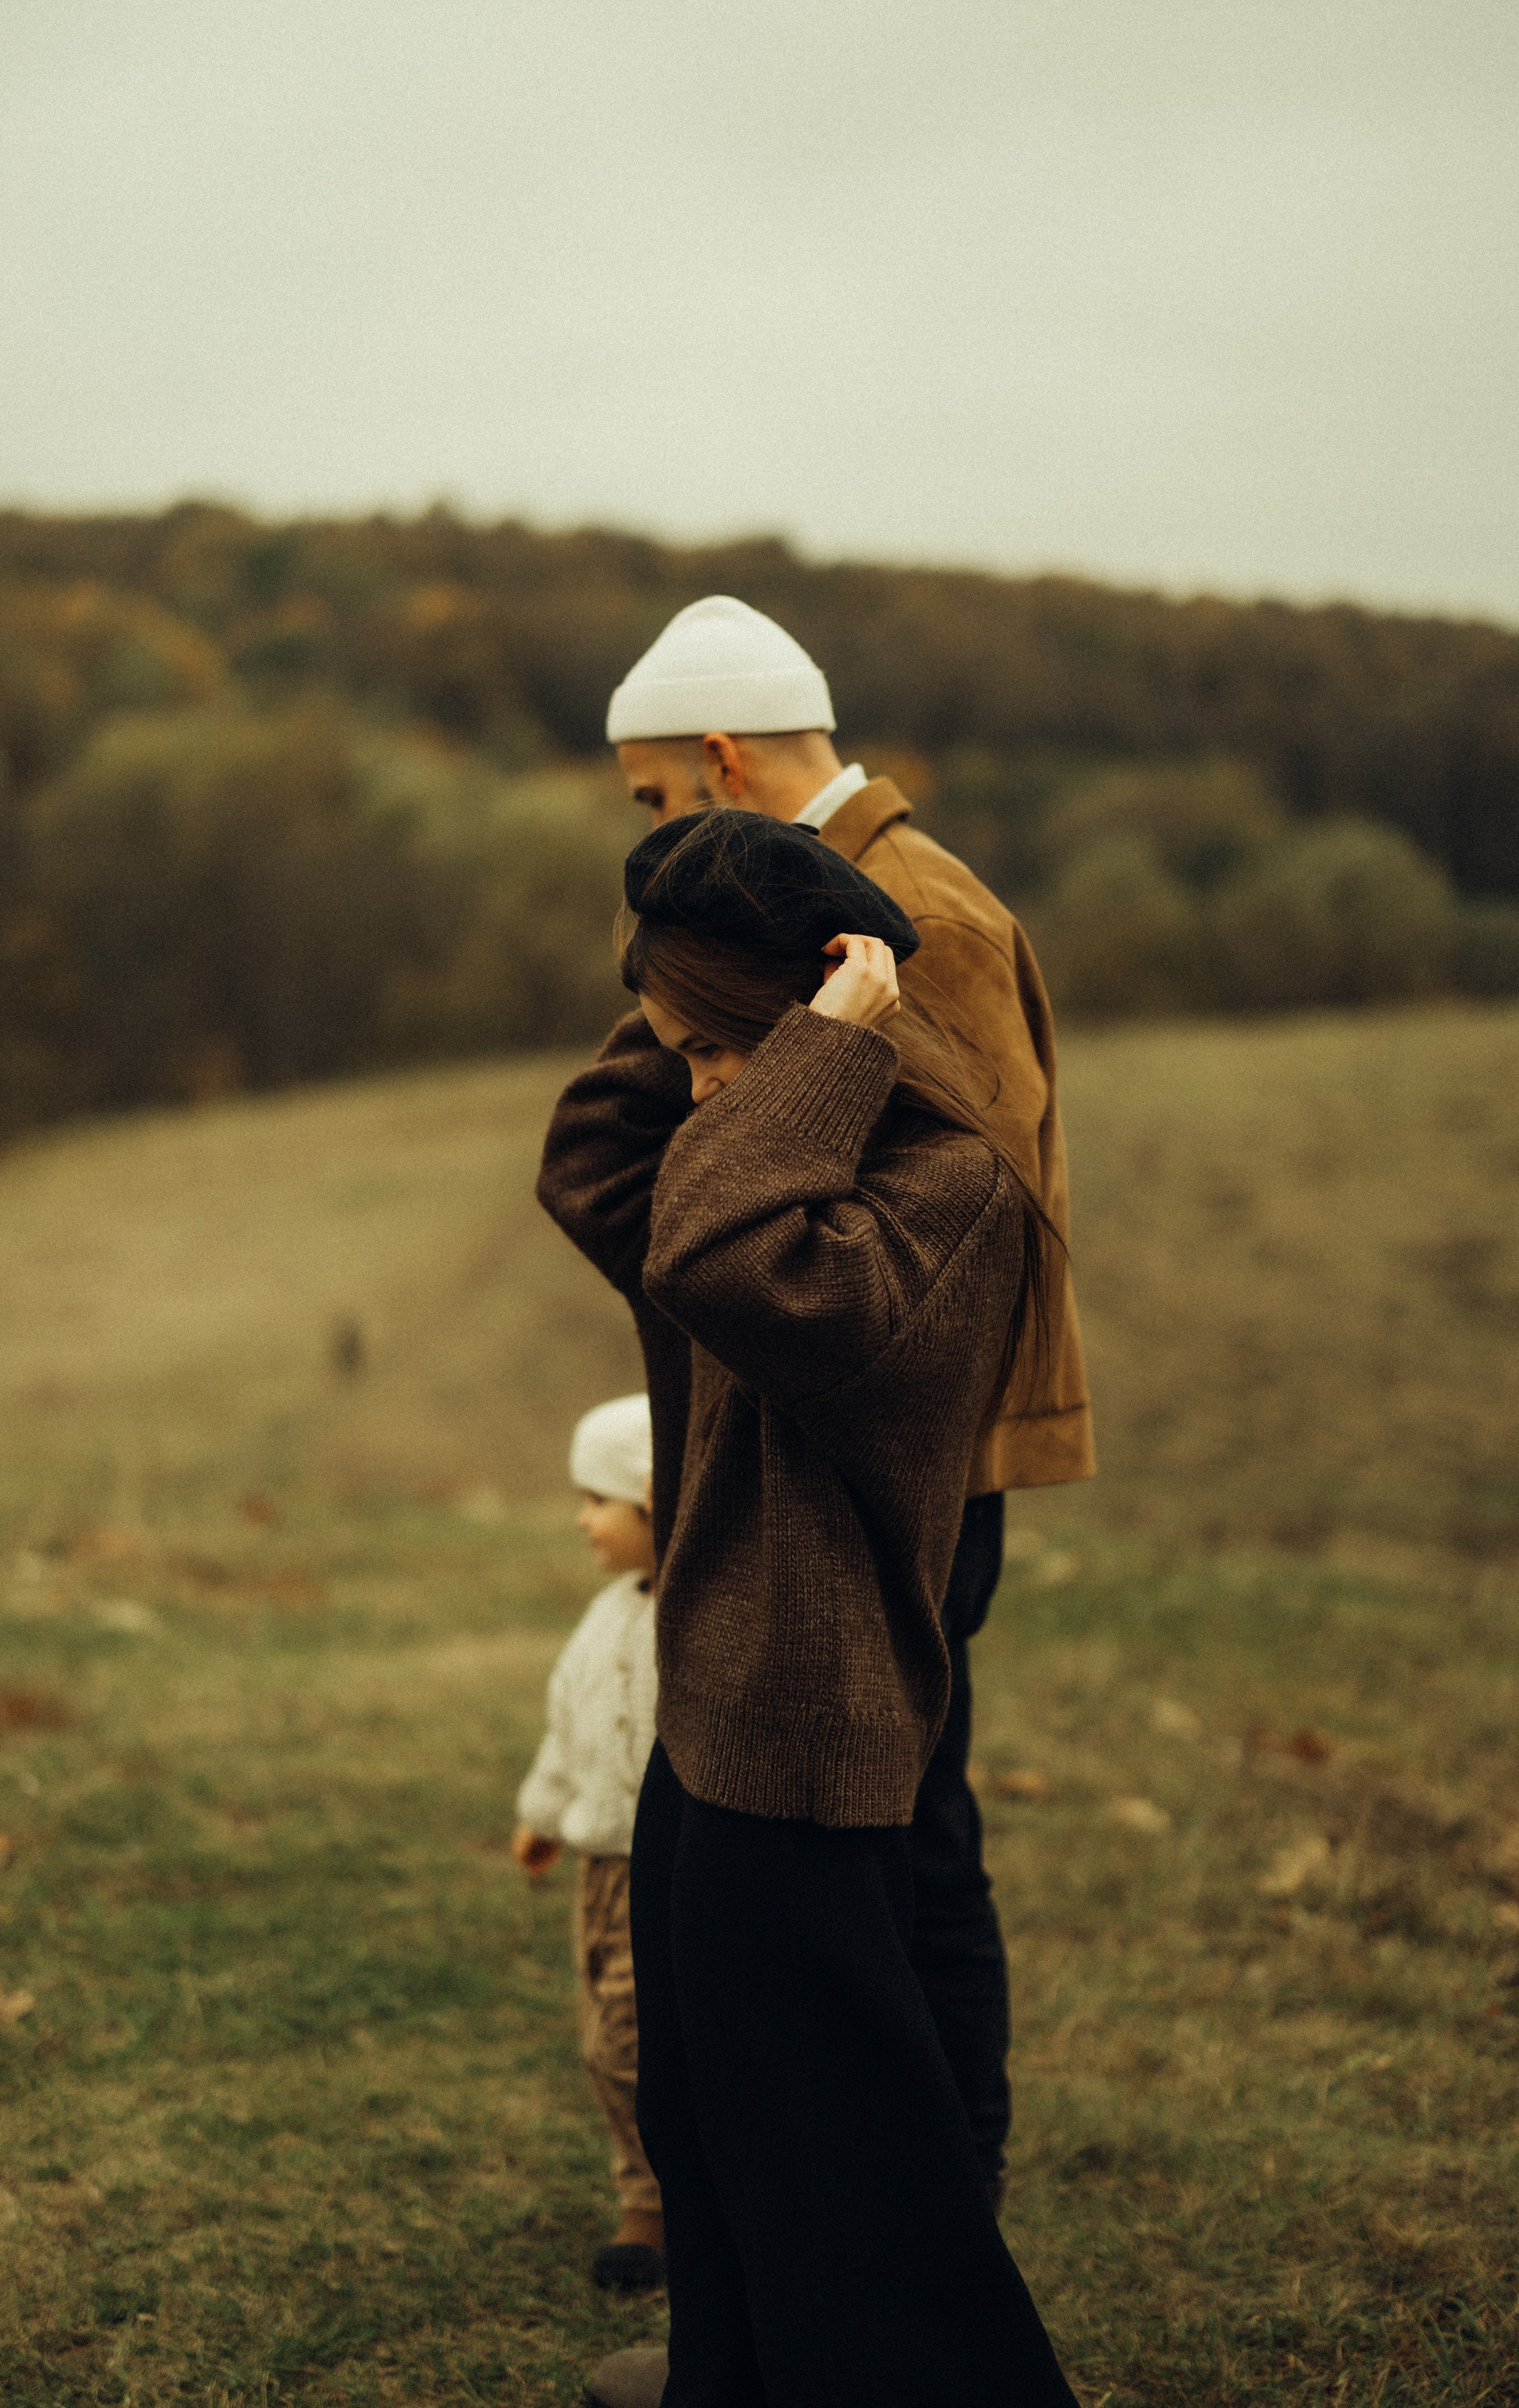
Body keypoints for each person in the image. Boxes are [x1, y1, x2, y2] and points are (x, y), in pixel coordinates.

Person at [539, 809, 1079, 2408]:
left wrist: (815, 1049)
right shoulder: (768, 1147)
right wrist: (688, 991)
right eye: (691, 1060)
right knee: (711, 2125)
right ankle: (730, 2378)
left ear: (814, 1045)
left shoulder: (939, 1192)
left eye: (721, 1057)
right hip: (711, 1705)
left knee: (852, 2169)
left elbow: (715, 1250)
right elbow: (589, 1159)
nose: (702, 1092)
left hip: (808, 1719)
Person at [603, 594, 1096, 2209]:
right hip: (844, 1426)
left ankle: (942, 2183)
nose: (659, 837)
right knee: (885, 1825)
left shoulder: (915, 918)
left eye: (660, 803)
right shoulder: (851, 900)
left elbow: (960, 1197)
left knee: (907, 1827)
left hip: (909, 1446)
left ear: (724, 761)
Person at [512, 1394, 664, 2293]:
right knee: (602, 2040)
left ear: (657, 1500)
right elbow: (568, 1729)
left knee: (629, 2043)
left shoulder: (691, 1620)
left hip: (664, 1874)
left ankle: (674, 2200)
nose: (582, 1519)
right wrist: (544, 1812)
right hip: (599, 1873)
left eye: (597, 1498)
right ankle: (645, 2199)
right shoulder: (604, 1620)